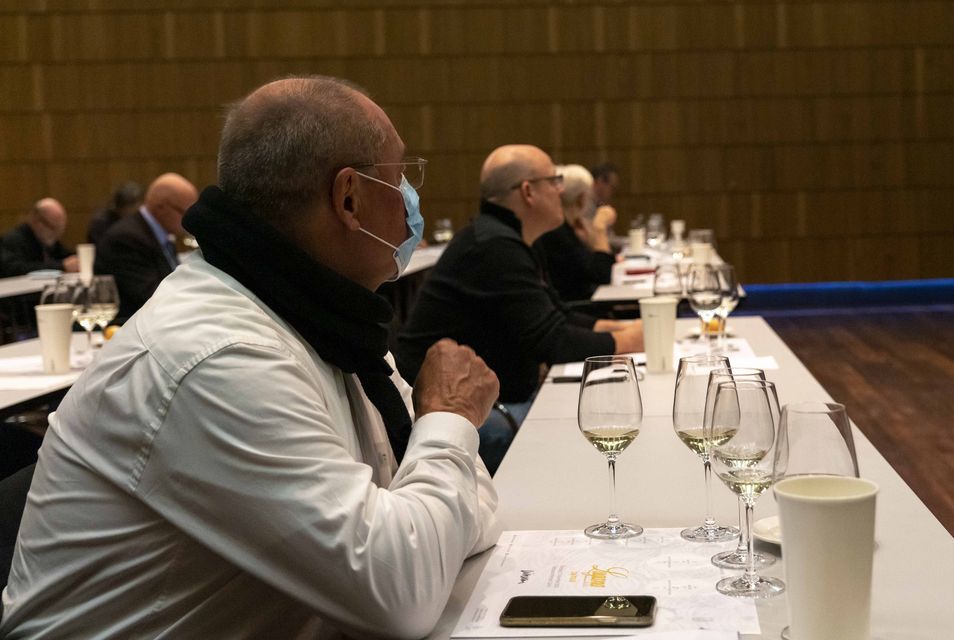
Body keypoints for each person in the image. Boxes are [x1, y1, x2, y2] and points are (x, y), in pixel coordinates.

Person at [0, 76, 501, 639]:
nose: (410, 194)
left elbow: (465, 514)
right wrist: (451, 418)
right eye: (401, 174)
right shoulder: (220, 357)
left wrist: (432, 510)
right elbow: (402, 591)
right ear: (349, 198)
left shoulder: (324, 317)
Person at [396, 145, 643, 473]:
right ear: (528, 191)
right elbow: (552, 341)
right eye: (554, 181)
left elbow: (558, 314)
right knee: (587, 429)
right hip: (455, 415)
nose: (561, 190)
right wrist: (633, 340)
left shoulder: (512, 237)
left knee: (602, 414)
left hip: (497, 399)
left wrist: (626, 329)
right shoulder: (494, 246)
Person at [94, 172, 198, 322]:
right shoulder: (126, 239)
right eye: (185, 213)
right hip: (134, 326)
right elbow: (153, 296)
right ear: (161, 207)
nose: (190, 221)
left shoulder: (160, 235)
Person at [534, 164, 615, 301]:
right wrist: (599, 228)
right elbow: (602, 274)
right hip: (579, 305)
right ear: (581, 198)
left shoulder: (570, 227)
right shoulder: (556, 232)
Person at [0, 198, 78, 276]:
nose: (57, 234)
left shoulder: (46, 239)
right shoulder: (13, 240)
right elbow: (14, 269)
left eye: (60, 229)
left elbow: (65, 255)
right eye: (53, 228)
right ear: (36, 221)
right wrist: (61, 266)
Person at [87, 181, 144, 246]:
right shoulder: (101, 222)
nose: (141, 209)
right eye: (137, 206)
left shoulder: (138, 219)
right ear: (124, 207)